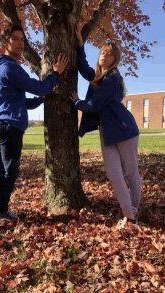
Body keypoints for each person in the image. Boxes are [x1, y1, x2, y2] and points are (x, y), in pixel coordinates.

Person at [0, 24, 68, 232]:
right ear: (5, 42)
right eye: (15, 39)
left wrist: (41, 100)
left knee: (3, 172)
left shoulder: (6, 68)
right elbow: (40, 86)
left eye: (22, 40)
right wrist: (55, 74)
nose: (20, 43)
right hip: (9, 126)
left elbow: (21, 100)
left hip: (7, 125)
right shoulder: (9, 68)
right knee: (3, 172)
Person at [69, 23, 141, 230]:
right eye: (102, 53)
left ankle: (133, 210)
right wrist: (80, 44)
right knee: (113, 173)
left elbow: (96, 103)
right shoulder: (100, 78)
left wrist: (77, 104)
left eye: (109, 55)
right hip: (107, 132)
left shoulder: (113, 77)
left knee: (130, 172)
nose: (104, 56)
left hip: (125, 130)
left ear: (115, 59)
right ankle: (129, 212)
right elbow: (83, 68)